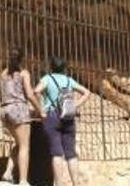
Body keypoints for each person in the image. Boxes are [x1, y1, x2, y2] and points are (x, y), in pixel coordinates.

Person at [35, 56, 90, 186]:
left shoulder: (47, 79)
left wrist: (41, 107)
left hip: (52, 116)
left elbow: (36, 91)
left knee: (56, 152)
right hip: (68, 116)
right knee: (71, 153)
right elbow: (86, 92)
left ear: (51, 66)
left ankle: (58, 184)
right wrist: (75, 105)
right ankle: (76, 183)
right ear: (64, 68)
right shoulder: (69, 80)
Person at [0, 47, 44, 185]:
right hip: (19, 109)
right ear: (22, 59)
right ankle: (23, 181)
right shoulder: (24, 73)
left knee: (18, 143)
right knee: (25, 145)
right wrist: (40, 110)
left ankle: (8, 172)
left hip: (5, 110)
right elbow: (30, 95)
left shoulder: (2, 74)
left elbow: (1, 95)